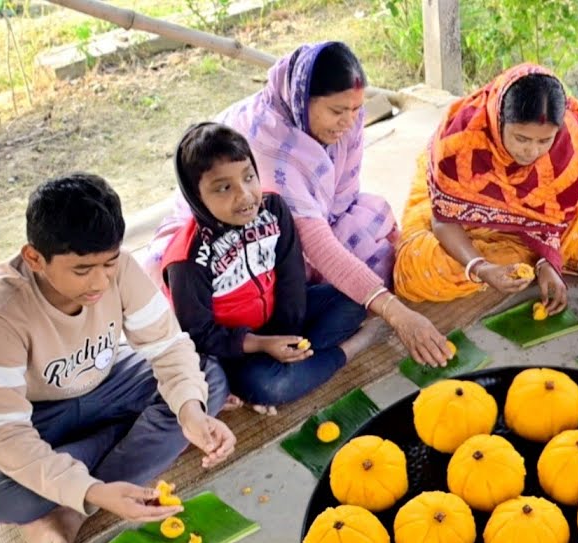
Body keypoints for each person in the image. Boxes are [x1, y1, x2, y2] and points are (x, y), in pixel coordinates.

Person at [0, 173, 237, 543]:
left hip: (103, 384)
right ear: (34, 258)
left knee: (207, 381)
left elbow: (168, 345)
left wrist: (191, 414)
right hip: (31, 414)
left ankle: (68, 508)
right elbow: (3, 434)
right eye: (82, 270)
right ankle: (93, 477)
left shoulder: (119, 268)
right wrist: (94, 491)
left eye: (108, 263)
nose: (100, 282)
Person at [143, 41, 450, 367]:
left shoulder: (281, 201)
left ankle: (294, 355)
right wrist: (397, 314)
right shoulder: (267, 149)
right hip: (231, 269)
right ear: (302, 99)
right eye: (337, 111)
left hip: (274, 255)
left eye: (356, 109)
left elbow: (330, 213)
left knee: (366, 260)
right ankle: (322, 355)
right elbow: (314, 244)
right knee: (260, 381)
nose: (349, 122)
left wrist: (284, 334)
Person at [159, 122, 376, 415]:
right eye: (224, 187)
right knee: (270, 386)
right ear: (196, 197)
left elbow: (292, 278)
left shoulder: (273, 208)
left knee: (353, 300)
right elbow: (201, 334)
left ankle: (300, 364)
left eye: (249, 177)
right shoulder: (187, 260)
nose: (246, 195)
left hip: (285, 319)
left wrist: (287, 338)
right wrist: (262, 345)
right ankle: (345, 351)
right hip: (237, 348)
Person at [393, 63, 578, 314]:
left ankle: (528, 259)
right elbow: (444, 221)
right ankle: (507, 259)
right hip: (461, 219)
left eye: (545, 140)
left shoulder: (569, 144)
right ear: (498, 120)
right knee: (419, 267)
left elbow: (560, 215)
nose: (532, 151)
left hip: (536, 230)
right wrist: (480, 267)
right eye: (521, 138)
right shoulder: (459, 141)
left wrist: (548, 261)